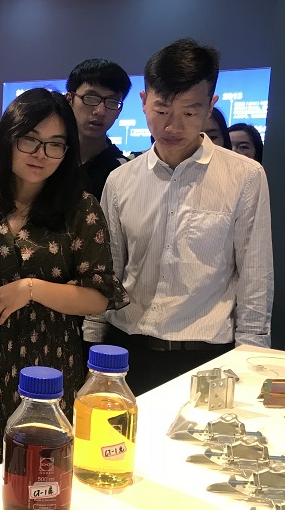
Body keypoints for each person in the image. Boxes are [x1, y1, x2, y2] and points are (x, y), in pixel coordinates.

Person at [0, 88, 128, 471]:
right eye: (30, 140)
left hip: (51, 365)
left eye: (55, 144)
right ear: (9, 139)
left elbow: (99, 296)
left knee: (44, 474)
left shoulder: (81, 209)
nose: (41, 154)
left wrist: (32, 289)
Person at [84, 38, 273, 395]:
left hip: (206, 356)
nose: (172, 126)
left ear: (210, 106)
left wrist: (250, 361)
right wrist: (90, 345)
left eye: (189, 112)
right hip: (126, 350)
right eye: (161, 110)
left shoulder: (245, 177)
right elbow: (108, 272)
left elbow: (255, 278)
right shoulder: (120, 180)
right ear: (143, 102)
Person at [64, 58, 132, 200]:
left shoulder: (122, 171)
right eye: (90, 98)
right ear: (69, 99)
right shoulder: (48, 157)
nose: (100, 111)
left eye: (112, 102)